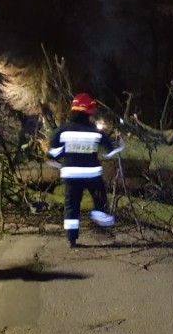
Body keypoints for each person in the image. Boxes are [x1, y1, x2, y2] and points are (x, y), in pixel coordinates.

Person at [48, 93, 124, 248]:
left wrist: (64, 152)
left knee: (71, 206)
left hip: (70, 174)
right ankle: (99, 214)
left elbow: (53, 152)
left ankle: (72, 239)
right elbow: (111, 150)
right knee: (100, 197)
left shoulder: (63, 130)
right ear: (88, 111)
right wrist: (118, 143)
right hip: (91, 174)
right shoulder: (95, 131)